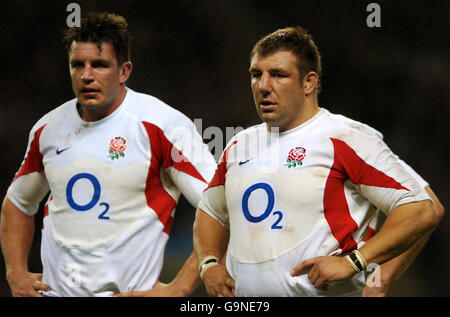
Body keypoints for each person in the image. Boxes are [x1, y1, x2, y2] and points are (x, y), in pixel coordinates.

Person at [193, 26, 443, 297]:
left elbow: (421, 209)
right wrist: (209, 264)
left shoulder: (345, 138)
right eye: (256, 75)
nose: (263, 86)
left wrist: (358, 264)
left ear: (309, 82)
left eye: (278, 75)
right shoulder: (239, 145)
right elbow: (210, 211)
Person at [0, 12, 216, 297]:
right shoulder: (48, 129)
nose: (86, 75)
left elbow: (220, 207)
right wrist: (15, 273)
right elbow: (16, 204)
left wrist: (179, 288)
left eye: (100, 65)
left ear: (124, 70)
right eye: (77, 65)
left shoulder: (163, 126)